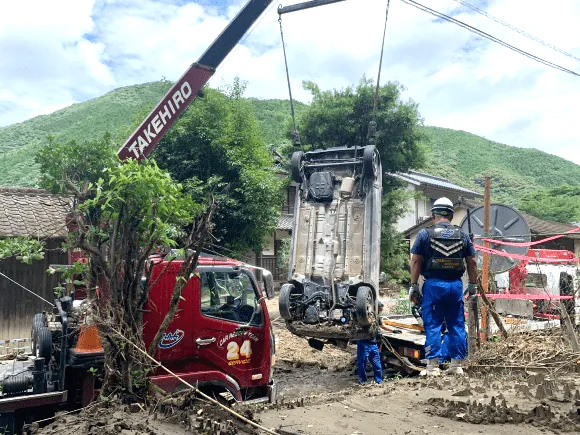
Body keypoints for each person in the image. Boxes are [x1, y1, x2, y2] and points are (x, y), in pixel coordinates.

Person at [409, 197, 478, 376]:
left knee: (433, 324)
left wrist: (414, 285)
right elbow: (472, 262)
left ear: (434, 215)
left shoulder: (425, 234)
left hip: (433, 285)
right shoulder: (463, 235)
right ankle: (456, 365)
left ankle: (432, 367)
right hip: (455, 285)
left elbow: (416, 260)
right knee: (456, 324)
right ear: (451, 215)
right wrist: (472, 284)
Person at [356, 300, 384, 385]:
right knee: (362, 364)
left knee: (377, 364)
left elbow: (381, 326)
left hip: (373, 344)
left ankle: (378, 381)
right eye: (380, 309)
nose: (380, 311)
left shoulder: (376, 317)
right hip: (364, 343)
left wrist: (393, 330)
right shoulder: (364, 316)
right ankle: (362, 381)